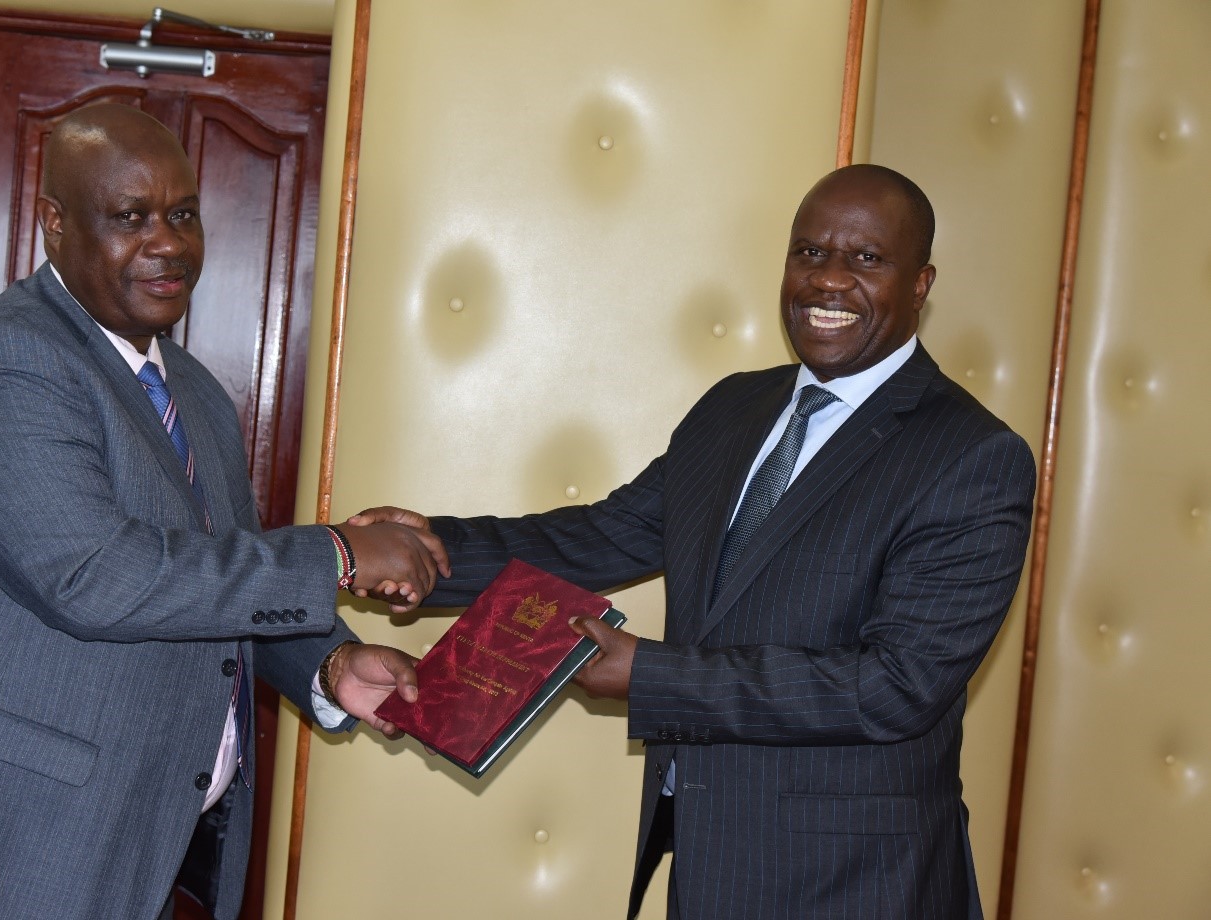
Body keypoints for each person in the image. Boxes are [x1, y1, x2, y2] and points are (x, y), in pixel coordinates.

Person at [354, 164, 1037, 919]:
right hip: (712, 858)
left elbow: (895, 686)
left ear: (920, 283)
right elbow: (601, 537)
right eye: (807, 253)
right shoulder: (734, 408)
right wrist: (425, 549)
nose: (827, 282)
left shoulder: (972, 458)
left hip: (859, 880)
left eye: (866, 259)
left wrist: (653, 677)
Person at [0, 104, 448, 920]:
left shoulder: (193, 390)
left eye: (183, 215)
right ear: (54, 225)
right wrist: (335, 552)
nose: (168, 243)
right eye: (130, 218)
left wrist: (328, 665)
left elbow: (211, 579)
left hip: (133, 847)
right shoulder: (5, 361)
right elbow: (98, 576)